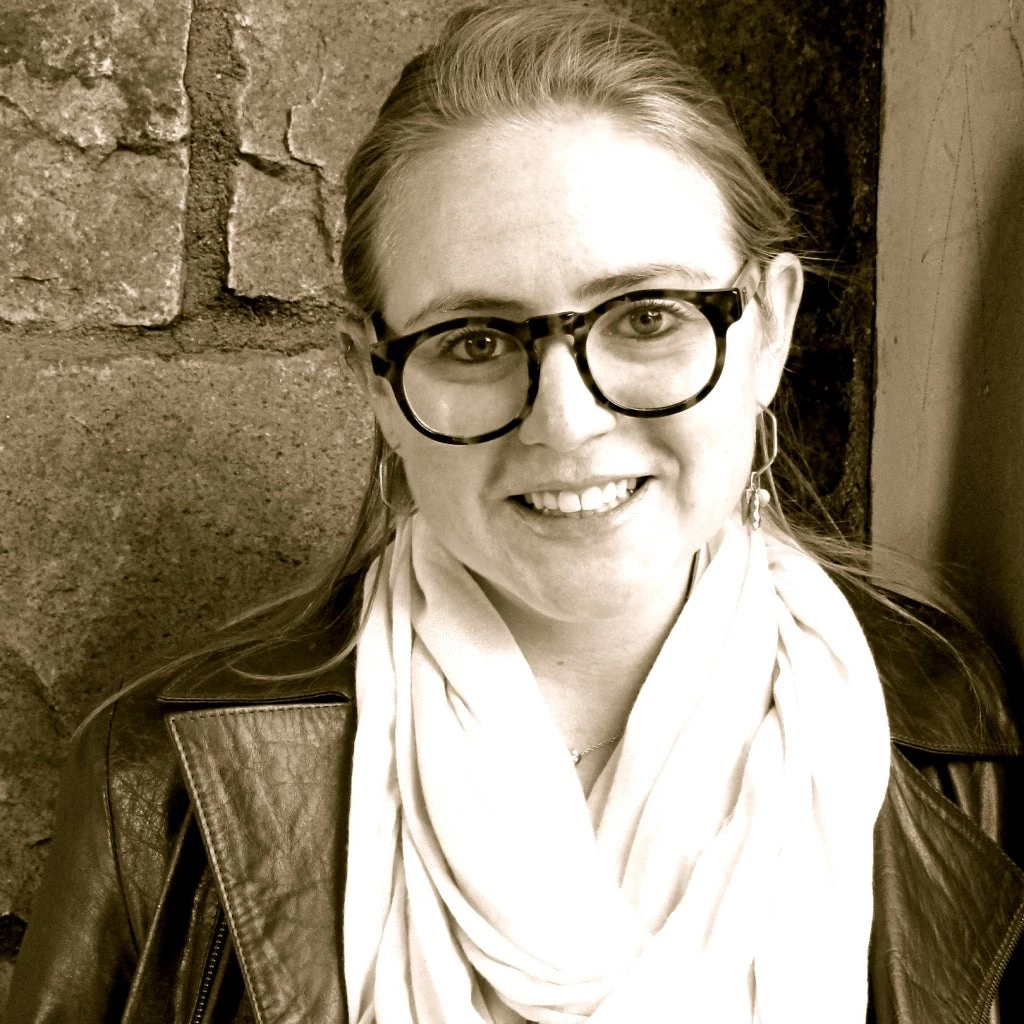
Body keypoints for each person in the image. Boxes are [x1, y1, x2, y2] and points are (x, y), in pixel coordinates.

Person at [8, 3, 1024, 1022]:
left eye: (646, 317)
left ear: (769, 328)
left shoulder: (952, 735)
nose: (566, 423)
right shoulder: (155, 784)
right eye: (475, 340)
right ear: (373, 376)